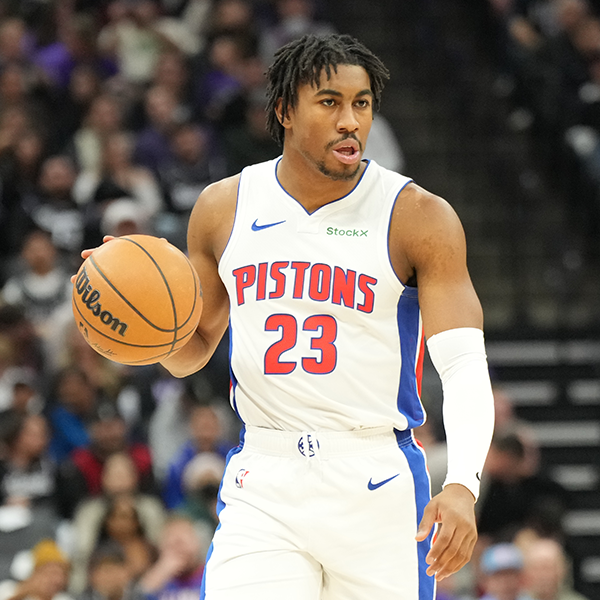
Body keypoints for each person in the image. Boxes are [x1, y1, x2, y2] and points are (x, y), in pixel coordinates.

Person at [82, 33, 495, 599]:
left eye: (362, 103)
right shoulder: (224, 207)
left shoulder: (418, 217)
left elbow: (464, 365)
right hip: (265, 477)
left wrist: (464, 484)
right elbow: (191, 350)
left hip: (374, 478)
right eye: (329, 102)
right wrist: (135, 312)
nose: (350, 121)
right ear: (284, 111)